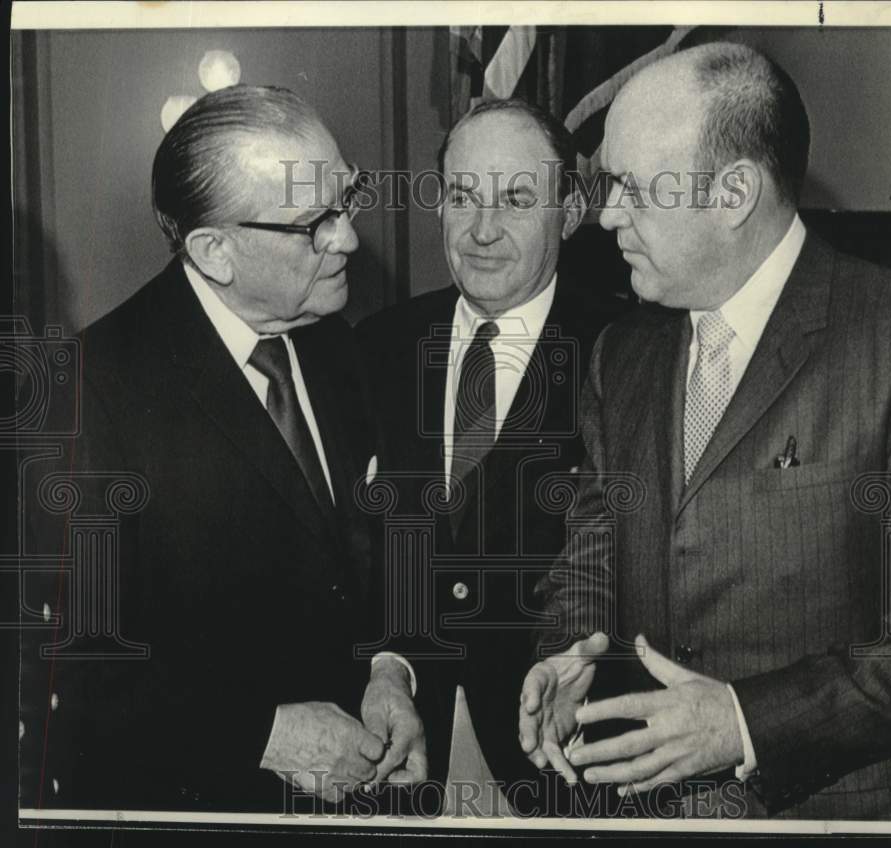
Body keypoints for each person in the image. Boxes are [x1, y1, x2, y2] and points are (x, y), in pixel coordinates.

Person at [519, 42, 891, 820]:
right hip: (646, 808)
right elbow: (595, 546)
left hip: (838, 812)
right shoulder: (622, 352)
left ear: (735, 192)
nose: (605, 216)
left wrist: (743, 721)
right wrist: (567, 652)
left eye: (632, 188)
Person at [20, 85, 395, 812]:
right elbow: (73, 665)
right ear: (215, 252)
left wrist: (389, 668)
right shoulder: (83, 394)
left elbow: (358, 560)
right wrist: (262, 733)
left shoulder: (337, 346)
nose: (348, 237)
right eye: (315, 223)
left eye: (349, 198)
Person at [355, 98, 625, 808]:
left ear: (569, 212)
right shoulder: (378, 346)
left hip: (570, 760)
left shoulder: (629, 350)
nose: (480, 230)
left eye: (515, 199)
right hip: (408, 753)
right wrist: (385, 663)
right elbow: (359, 542)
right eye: (463, 195)